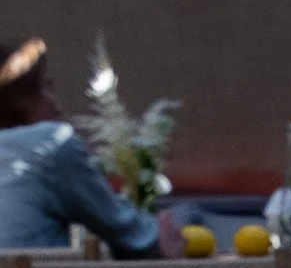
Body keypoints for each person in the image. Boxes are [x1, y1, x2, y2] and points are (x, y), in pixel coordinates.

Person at [0, 37, 170, 256]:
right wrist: (159, 236)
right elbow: (131, 234)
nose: (57, 105)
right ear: (20, 100)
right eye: (46, 89)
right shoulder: (50, 144)